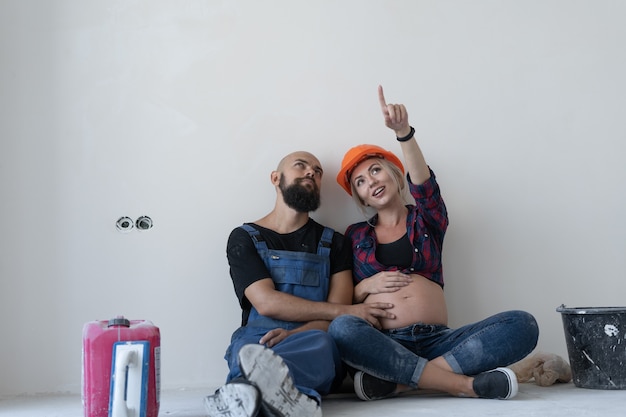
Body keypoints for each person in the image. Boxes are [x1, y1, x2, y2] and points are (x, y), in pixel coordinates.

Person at [328, 86, 539, 401]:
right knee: (342, 329)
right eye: (360, 181)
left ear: (395, 175)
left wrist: (403, 134)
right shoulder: (354, 236)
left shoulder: (427, 220)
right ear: (359, 196)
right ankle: (461, 384)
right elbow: (343, 302)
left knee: (523, 324)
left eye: (375, 171)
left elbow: (425, 187)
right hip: (386, 343)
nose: (370, 181)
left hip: (441, 340)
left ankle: (400, 382)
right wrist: (367, 286)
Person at [204, 151, 395, 417]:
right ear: (275, 178)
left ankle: (244, 395)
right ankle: (287, 400)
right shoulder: (244, 238)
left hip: (313, 336)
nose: (311, 173)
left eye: (317, 172)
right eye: (301, 166)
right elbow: (267, 303)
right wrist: (347, 311)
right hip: (259, 338)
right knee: (248, 350)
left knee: (323, 344)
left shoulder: (335, 243)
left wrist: (295, 334)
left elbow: (334, 316)